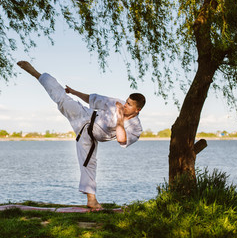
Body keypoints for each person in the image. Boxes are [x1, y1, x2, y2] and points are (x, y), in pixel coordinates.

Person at [17, 61, 145, 209]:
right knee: (62, 99)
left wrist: (120, 118)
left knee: (89, 164)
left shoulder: (135, 128)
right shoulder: (116, 103)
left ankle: (92, 200)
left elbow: (122, 140)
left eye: (129, 105)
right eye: (126, 101)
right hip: (84, 115)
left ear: (138, 110)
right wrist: (74, 91)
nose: (124, 105)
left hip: (89, 137)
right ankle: (36, 74)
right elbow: (93, 99)